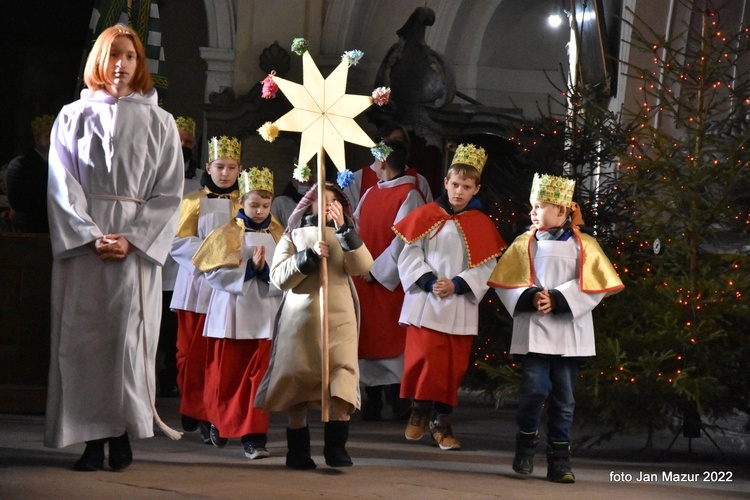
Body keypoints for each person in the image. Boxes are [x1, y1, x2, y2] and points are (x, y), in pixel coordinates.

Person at [44, 24, 183, 472]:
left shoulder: (160, 122)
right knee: (82, 345)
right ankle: (88, 438)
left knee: (128, 344)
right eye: (112, 55)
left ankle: (121, 434)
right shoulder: (72, 116)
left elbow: (168, 193)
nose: (120, 64)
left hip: (133, 247)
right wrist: (87, 233)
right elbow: (61, 184)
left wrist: (133, 238)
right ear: (98, 63)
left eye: (129, 56)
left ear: (141, 64)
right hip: (85, 248)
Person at [488, 173, 623, 483]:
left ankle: (559, 460)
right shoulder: (525, 243)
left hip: (569, 333)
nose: (532, 213)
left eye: (539, 207)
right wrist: (532, 295)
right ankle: (524, 448)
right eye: (532, 207)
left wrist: (560, 299)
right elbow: (505, 282)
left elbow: (597, 284)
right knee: (533, 390)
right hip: (535, 329)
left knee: (564, 399)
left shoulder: (584, 244)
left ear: (562, 211)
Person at [393, 143, 506, 450]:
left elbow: (487, 267)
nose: (459, 191)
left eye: (466, 187)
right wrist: (430, 281)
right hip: (426, 304)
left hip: (458, 306)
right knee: (424, 361)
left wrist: (457, 284)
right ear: (445, 182)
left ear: (476, 189)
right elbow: (409, 255)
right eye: (455, 184)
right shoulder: (426, 215)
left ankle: (441, 422)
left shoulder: (481, 224)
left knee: (451, 369)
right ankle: (419, 410)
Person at [256, 182, 373, 470]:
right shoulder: (293, 236)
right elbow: (279, 277)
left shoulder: (347, 234)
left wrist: (345, 232)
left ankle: (336, 448)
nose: (327, 206)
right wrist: (306, 257)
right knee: (297, 382)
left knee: (342, 380)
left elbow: (362, 266)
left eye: (333, 201)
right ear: (308, 204)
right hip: (302, 322)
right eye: (321, 200)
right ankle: (298, 451)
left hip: (339, 320)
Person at [193, 166, 284, 459]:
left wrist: (266, 272)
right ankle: (219, 421)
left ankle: (254, 437)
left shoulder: (280, 232)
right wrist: (248, 270)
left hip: (265, 315)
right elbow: (211, 274)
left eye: (266, 205)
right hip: (232, 314)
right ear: (242, 201)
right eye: (254, 204)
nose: (259, 211)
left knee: (259, 379)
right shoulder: (226, 232)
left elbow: (288, 274)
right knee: (227, 377)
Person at [170, 136, 242, 443]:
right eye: (219, 167)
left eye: (231, 167)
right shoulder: (193, 201)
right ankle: (192, 403)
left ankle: (213, 414)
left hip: (229, 289)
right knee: (189, 355)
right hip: (197, 287)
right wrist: (216, 259)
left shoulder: (248, 201)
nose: (225, 174)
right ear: (208, 167)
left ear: (240, 169)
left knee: (220, 358)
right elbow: (178, 242)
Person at [352, 138, 424, 421]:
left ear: (382, 162)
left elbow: (404, 240)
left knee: (392, 341)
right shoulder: (370, 192)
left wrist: (376, 270)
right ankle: (372, 398)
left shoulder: (410, 194)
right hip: (363, 278)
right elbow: (356, 227)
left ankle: (398, 398)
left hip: (387, 283)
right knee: (366, 337)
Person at [157, 115, 201, 398]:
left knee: (175, 329)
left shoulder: (199, 180)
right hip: (157, 258)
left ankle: (170, 376)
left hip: (182, 265)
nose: (183, 145)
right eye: (179, 139)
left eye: (188, 141)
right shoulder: (155, 171)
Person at [343, 122, 432, 211]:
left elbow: (427, 216)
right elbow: (350, 216)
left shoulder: (419, 181)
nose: (393, 147)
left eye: (398, 141)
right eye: (389, 142)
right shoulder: (357, 179)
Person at [6, 114, 54, 232]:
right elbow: (17, 201)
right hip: (30, 225)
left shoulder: (61, 164)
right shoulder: (19, 165)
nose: (51, 139)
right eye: (47, 136)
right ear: (37, 138)